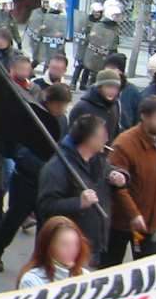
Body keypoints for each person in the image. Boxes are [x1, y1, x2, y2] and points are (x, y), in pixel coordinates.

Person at [0, 83, 71, 272]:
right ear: (50, 102)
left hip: (49, 182)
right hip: (26, 179)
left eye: (64, 106)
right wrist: (43, 167)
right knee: (14, 218)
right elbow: (20, 149)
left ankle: (41, 263)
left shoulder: (62, 120)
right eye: (59, 105)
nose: (62, 110)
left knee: (46, 225)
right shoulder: (32, 115)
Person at [37, 114, 128, 266]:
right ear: (89, 139)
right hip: (69, 248)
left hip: (94, 242)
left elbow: (109, 172)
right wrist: (78, 203)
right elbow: (45, 207)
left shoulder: (98, 160)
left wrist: (120, 176)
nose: (106, 140)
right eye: (102, 136)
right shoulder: (57, 168)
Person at [103, 95, 156, 267]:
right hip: (123, 222)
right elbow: (118, 187)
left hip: (151, 223)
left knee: (148, 269)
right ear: (144, 117)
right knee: (110, 267)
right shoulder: (125, 144)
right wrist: (134, 214)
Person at [18, 216, 91, 289]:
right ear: (49, 246)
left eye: (76, 244)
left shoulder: (85, 276)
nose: (72, 250)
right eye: (64, 244)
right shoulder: (32, 280)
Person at [70, 68, 122, 142]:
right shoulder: (82, 107)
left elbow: (115, 133)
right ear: (99, 87)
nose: (112, 91)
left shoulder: (115, 106)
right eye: (109, 87)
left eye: (116, 88)